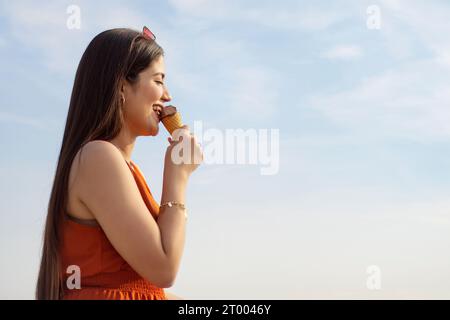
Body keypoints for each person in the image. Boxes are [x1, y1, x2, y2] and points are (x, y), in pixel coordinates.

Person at [35, 27, 202, 300]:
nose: (168, 96)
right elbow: (163, 269)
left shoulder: (121, 166)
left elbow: (147, 288)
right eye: (159, 81)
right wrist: (178, 176)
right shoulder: (98, 157)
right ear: (122, 86)